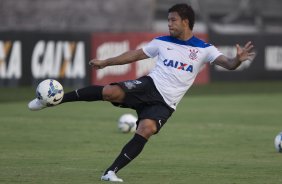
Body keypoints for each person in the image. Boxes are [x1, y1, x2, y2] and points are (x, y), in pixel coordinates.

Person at [28, 3, 255, 182]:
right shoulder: (162, 42)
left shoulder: (205, 49)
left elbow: (228, 63)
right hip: (148, 85)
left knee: (146, 129)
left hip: (166, 103)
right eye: (167, 20)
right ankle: (54, 100)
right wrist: (106, 62)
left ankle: (110, 172)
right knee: (109, 92)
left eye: (173, 20)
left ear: (186, 22)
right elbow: (135, 55)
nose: (169, 24)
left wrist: (237, 59)